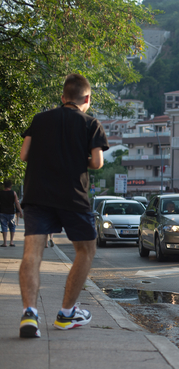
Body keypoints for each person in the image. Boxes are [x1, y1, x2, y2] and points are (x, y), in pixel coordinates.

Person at [18, 73, 108, 338]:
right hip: (72, 196)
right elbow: (97, 163)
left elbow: (24, 155)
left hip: (37, 194)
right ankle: (66, 314)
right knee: (86, 251)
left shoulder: (40, 119)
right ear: (87, 98)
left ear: (63, 97)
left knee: (32, 252)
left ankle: (29, 314)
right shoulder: (91, 124)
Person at [0, 180, 23, 247]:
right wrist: (20, 211)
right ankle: (11, 242)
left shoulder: (0, 193)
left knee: (4, 226)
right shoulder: (13, 193)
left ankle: (5, 243)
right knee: (12, 227)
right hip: (11, 213)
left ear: (4, 186)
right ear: (10, 186)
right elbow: (17, 203)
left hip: (2, 212)